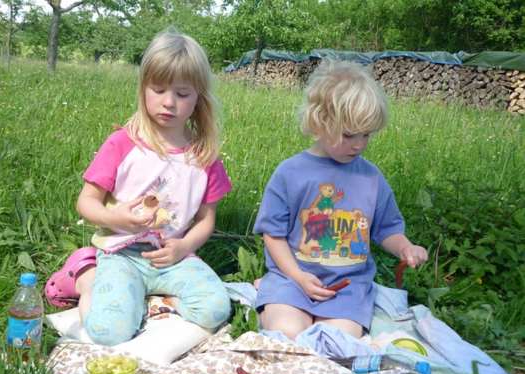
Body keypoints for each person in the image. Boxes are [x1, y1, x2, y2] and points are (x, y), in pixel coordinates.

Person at [45, 29, 232, 346]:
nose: (169, 102)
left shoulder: (203, 157)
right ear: (143, 87)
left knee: (216, 310)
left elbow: (205, 219)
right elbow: (87, 202)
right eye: (158, 89)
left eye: (183, 94)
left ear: (199, 96)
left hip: (171, 256)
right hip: (121, 253)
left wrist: (184, 248)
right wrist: (117, 218)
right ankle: (86, 277)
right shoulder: (123, 143)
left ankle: (146, 298)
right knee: (109, 332)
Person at [253, 61, 428, 340]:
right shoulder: (290, 173)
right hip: (292, 279)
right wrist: (298, 277)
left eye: (366, 135)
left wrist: (406, 247)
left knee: (337, 340)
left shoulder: (371, 178)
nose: (358, 144)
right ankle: (268, 292)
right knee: (287, 330)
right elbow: (272, 235)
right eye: (348, 135)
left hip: (347, 286)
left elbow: (387, 229)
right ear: (319, 122)